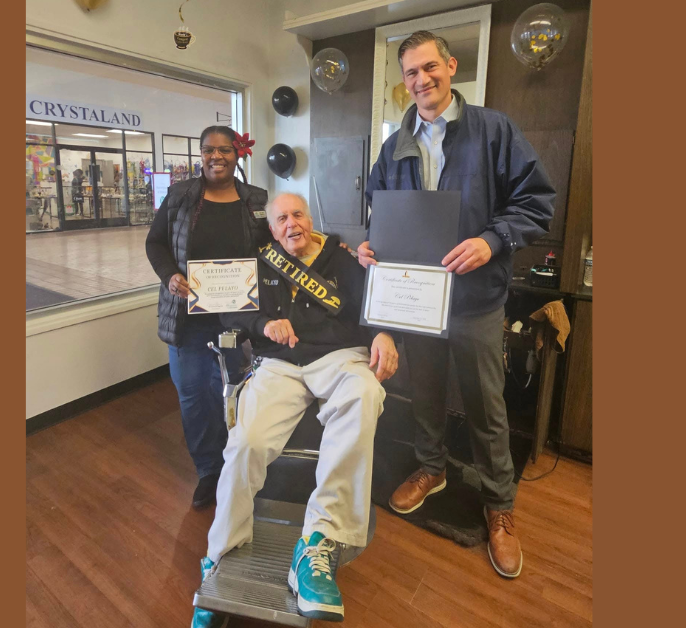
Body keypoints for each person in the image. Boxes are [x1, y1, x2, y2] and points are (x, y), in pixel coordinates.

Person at [359, 30, 556, 579]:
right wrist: (372, 244)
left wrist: (492, 240)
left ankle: (499, 504)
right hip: (417, 300)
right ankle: (432, 469)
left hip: (474, 299)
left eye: (429, 68)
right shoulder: (394, 144)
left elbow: (537, 201)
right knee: (424, 393)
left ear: (451, 66)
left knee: (484, 405)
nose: (421, 80)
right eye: (411, 74)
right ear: (404, 83)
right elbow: (379, 209)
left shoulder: (493, 130)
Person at [191, 193, 399, 627]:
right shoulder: (259, 261)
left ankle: (317, 542)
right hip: (279, 364)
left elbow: (374, 302)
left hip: (339, 357)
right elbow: (233, 311)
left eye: (298, 215)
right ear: (272, 229)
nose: (292, 224)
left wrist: (383, 333)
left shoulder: (343, 259)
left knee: (364, 394)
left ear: (311, 219)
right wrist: (262, 324)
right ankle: (220, 557)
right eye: (282, 218)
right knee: (245, 440)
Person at [145, 126, 270, 509]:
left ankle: (237, 463)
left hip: (236, 318)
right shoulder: (181, 196)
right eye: (208, 151)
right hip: (189, 319)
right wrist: (170, 276)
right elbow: (156, 243)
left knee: (234, 393)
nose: (216, 157)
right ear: (200, 155)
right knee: (194, 395)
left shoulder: (255, 200)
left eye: (224, 150)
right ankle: (209, 472)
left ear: (238, 153)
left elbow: (269, 248)